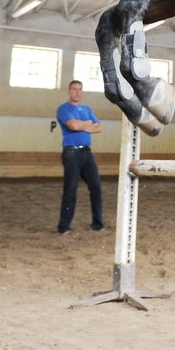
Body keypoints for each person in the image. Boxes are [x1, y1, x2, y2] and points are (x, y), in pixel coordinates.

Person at [55, 80, 104, 234]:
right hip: (71, 153)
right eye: (74, 89)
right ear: (69, 91)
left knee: (96, 187)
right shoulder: (63, 109)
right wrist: (88, 124)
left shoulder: (86, 108)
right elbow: (73, 126)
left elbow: (98, 127)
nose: (77, 92)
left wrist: (83, 125)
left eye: (79, 89)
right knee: (70, 190)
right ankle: (63, 226)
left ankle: (97, 223)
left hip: (86, 153)